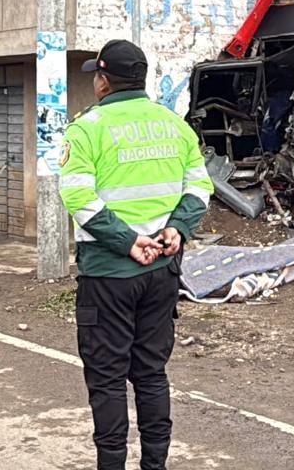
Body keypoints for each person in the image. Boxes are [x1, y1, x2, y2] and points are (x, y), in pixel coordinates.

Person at [59, 39, 215, 470]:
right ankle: (155, 466)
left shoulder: (87, 128)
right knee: (150, 374)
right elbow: (200, 187)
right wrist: (177, 229)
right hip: (162, 270)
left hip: (109, 274)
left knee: (107, 379)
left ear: (103, 81)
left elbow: (78, 198)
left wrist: (126, 241)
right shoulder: (173, 124)